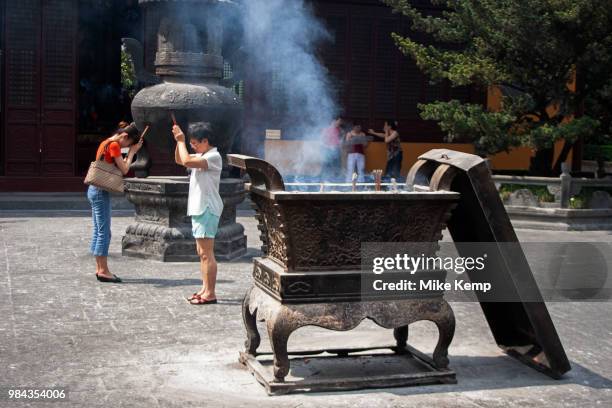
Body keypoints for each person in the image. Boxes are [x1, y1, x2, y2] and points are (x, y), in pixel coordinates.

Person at [173, 122, 223, 305]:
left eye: (195, 143)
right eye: (191, 143)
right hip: (200, 207)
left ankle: (210, 293)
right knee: (201, 252)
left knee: (206, 253)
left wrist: (181, 141)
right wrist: (178, 141)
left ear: (205, 141)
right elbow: (180, 159)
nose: (192, 146)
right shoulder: (202, 154)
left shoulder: (214, 156)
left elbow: (186, 160)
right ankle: (205, 288)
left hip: (207, 208)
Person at [88, 123, 143, 283]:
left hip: (94, 188)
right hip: (99, 191)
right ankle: (103, 270)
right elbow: (125, 169)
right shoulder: (114, 145)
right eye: (129, 143)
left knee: (99, 230)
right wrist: (132, 153)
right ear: (125, 137)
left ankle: (100, 268)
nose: (127, 146)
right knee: (104, 232)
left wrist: (130, 150)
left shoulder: (105, 142)